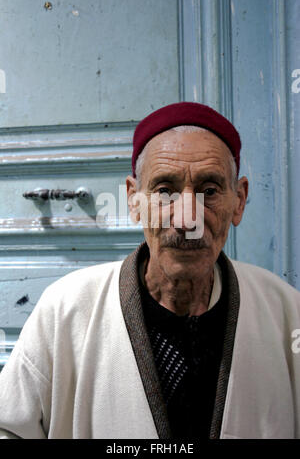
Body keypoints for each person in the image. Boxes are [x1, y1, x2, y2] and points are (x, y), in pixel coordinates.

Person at [0, 102, 299, 439]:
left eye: (210, 191)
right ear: (133, 201)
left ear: (239, 200)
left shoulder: (286, 314)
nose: (187, 219)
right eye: (165, 191)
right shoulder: (66, 310)